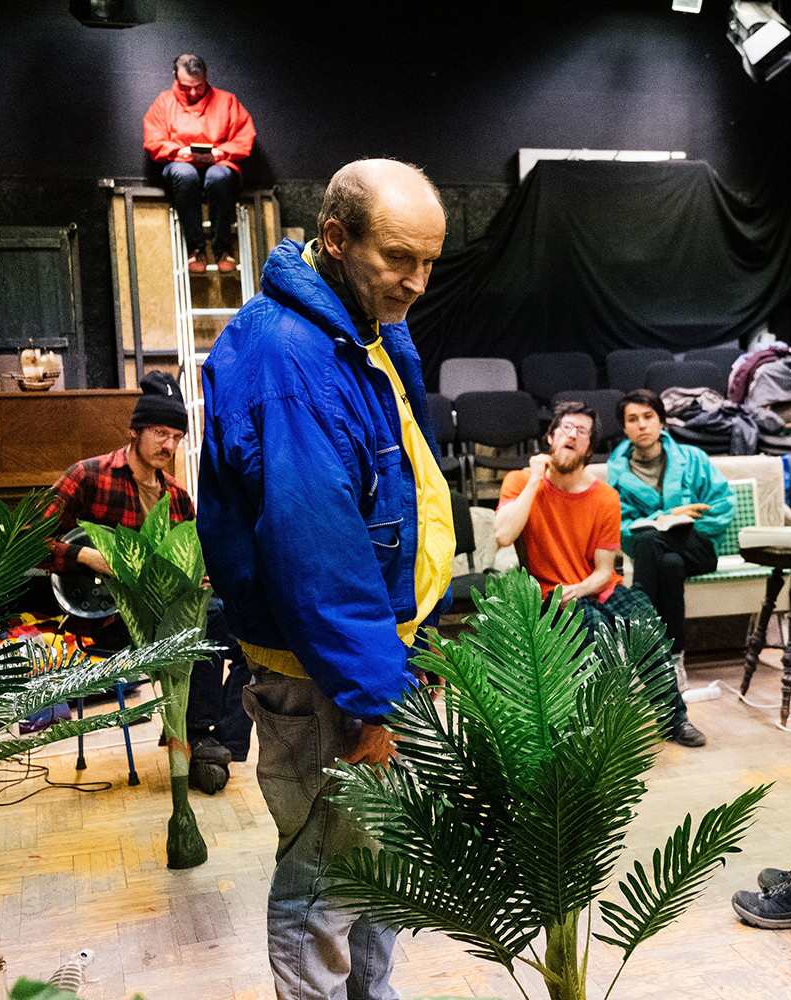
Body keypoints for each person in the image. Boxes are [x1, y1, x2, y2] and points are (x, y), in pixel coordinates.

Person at [197, 158, 456, 1000]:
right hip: (328, 674)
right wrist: (373, 701)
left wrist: (404, 661)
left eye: (430, 261)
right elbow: (316, 553)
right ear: (336, 238)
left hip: (372, 653)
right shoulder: (291, 356)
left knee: (372, 865)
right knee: (323, 881)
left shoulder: (360, 323)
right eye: (399, 259)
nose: (417, 282)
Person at [43, 370, 248, 791]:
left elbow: (193, 562)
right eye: (160, 433)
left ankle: (214, 739)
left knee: (253, 634)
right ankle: (197, 737)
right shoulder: (88, 475)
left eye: (177, 437)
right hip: (110, 618)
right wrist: (85, 556)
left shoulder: (177, 496)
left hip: (172, 616)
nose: (169, 445)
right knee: (204, 623)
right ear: (134, 430)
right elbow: (25, 542)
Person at [494, 400, 706, 748]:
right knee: (590, 625)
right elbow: (504, 534)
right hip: (549, 593)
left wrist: (579, 588)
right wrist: (534, 479)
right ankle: (592, 727)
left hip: (593, 586)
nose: (572, 435)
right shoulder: (520, 482)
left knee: (643, 618)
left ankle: (674, 718)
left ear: (590, 448)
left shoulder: (605, 497)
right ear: (550, 437)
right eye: (565, 428)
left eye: (582, 432)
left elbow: (604, 571)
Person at [606, 388, 735, 662]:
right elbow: (621, 527)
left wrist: (682, 526)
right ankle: (674, 659)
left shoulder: (693, 458)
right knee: (670, 564)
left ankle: (634, 637)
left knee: (649, 539)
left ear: (661, 421)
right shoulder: (617, 475)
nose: (642, 425)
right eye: (632, 419)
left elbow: (722, 505)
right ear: (624, 429)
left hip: (699, 548)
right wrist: (665, 517)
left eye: (648, 416)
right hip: (655, 556)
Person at [142, 54, 256, 273]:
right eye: (186, 87)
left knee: (218, 176)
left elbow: (244, 137)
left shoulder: (227, 101)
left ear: (206, 78)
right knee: (185, 174)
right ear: (175, 77)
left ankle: (222, 249)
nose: (193, 93)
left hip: (220, 165)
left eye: (199, 86)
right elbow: (153, 140)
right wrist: (179, 151)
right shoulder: (163, 102)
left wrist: (221, 152)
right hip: (180, 165)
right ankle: (196, 249)